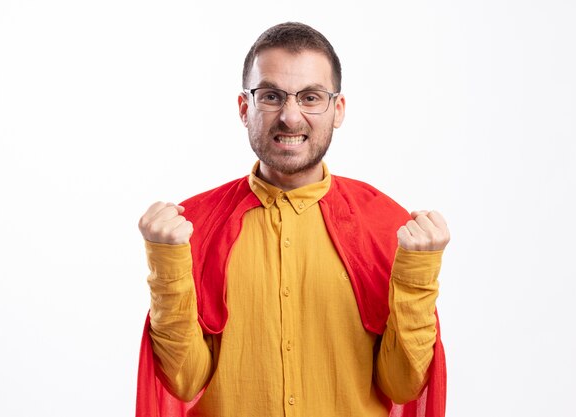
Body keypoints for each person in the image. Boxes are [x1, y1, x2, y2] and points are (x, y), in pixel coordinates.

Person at [135, 22, 449, 417]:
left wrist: (418, 272)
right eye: (271, 96)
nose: (290, 116)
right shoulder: (193, 227)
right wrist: (167, 265)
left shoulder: (386, 226)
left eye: (310, 97)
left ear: (338, 110)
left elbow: (402, 383)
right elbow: (184, 380)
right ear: (244, 108)